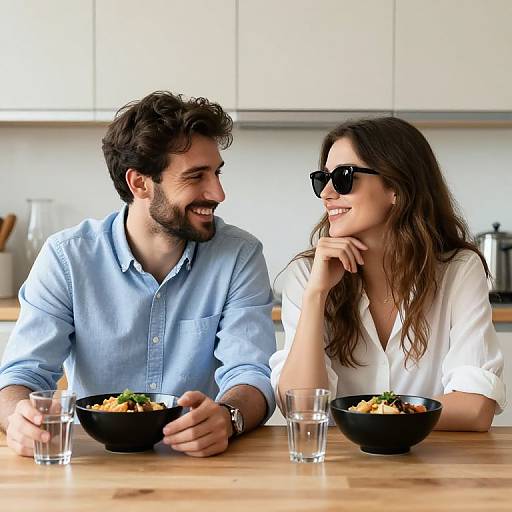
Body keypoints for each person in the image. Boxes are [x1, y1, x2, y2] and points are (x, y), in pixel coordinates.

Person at [0, 91, 276, 457]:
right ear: (140, 183)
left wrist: (228, 417)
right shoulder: (67, 258)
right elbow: (21, 375)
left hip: (201, 464)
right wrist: (16, 417)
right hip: (97, 461)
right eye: (196, 176)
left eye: (217, 172)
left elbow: (252, 373)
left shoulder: (239, 255)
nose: (218, 192)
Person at [270, 117, 505, 431]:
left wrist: (375, 415)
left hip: (430, 468)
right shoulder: (309, 275)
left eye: (343, 177)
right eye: (322, 179)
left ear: (396, 186)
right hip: (337, 471)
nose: (326, 193)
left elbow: (475, 407)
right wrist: (316, 296)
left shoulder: (458, 270)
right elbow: (300, 409)